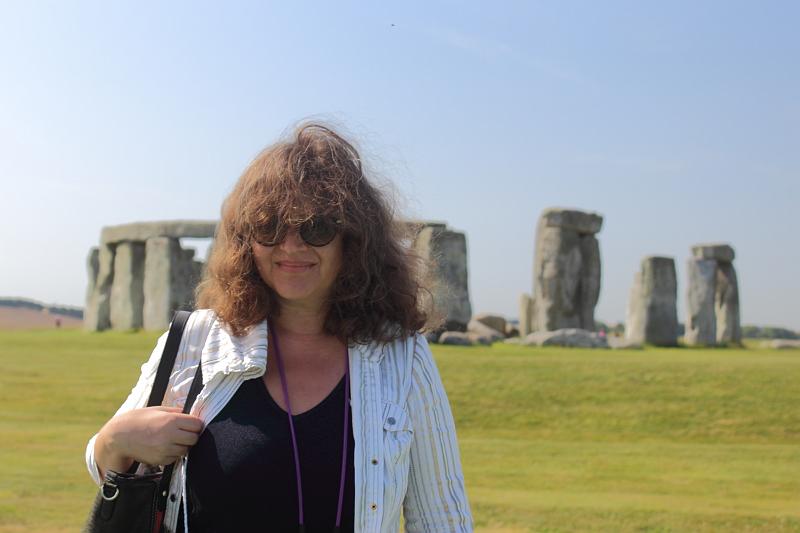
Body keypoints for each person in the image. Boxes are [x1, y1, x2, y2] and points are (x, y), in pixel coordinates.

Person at [85, 123, 473, 532]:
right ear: (246, 240)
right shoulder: (197, 340)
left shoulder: (401, 357)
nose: (291, 246)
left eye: (316, 226)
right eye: (269, 226)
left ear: (353, 238)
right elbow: (104, 461)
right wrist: (116, 441)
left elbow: (442, 518)